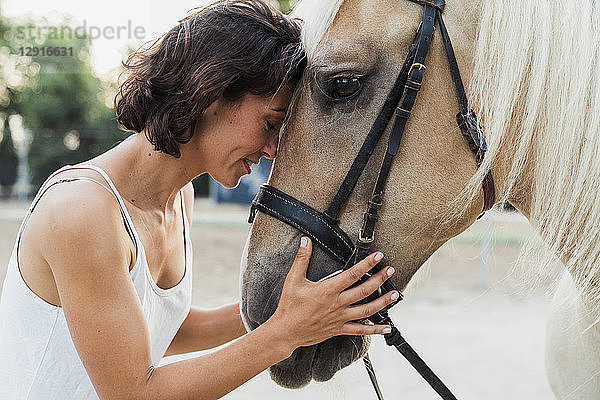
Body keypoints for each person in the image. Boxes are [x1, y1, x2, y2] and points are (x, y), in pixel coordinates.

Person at [0, 1, 399, 399]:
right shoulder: (81, 211)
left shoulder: (179, 198)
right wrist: (285, 331)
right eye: (271, 123)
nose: (274, 149)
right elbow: (133, 394)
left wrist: (311, 306)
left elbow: (174, 330)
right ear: (212, 93)